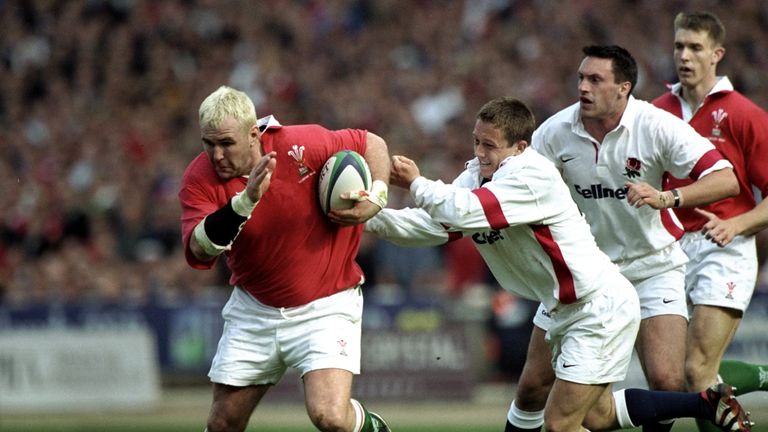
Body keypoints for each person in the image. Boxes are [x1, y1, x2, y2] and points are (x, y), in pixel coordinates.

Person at [365, 96, 751, 432]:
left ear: (518, 147)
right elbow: (432, 225)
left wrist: (415, 182)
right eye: (476, 142)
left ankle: (703, 403)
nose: (479, 153)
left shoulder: (530, 176)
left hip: (596, 307)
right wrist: (368, 214)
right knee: (593, 414)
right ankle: (704, 403)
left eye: (489, 145)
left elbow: (461, 211)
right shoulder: (477, 176)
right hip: (562, 306)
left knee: (560, 424)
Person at [507, 45, 743, 432]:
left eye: (595, 79)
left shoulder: (656, 125)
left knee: (668, 381)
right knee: (533, 386)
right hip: (585, 274)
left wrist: (668, 197)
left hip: (653, 267)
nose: (583, 87)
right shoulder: (554, 132)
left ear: (624, 88)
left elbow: (727, 178)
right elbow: (515, 185)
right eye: (581, 78)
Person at [178, 85, 392, 432]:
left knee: (330, 416)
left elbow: (373, 144)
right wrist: (244, 202)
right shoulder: (198, 179)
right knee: (222, 423)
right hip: (255, 310)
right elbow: (199, 249)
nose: (216, 155)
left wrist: (378, 197)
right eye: (208, 143)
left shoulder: (302, 143)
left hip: (327, 303)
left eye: (226, 144)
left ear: (253, 134)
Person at [652, 11, 768, 432]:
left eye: (695, 47)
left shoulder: (744, 114)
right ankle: (762, 377)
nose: (684, 55)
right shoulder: (656, 111)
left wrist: (738, 225)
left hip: (725, 246)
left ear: (717, 54)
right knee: (671, 377)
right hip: (667, 248)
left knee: (697, 368)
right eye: (679, 46)